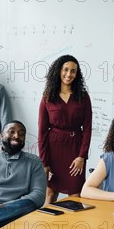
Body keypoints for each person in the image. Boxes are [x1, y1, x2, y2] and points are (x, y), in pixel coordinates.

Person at [38, 55, 92, 204]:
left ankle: (74, 227)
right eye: (66, 70)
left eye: (73, 71)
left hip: (75, 149)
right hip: (53, 149)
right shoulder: (48, 97)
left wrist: (82, 156)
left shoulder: (83, 96)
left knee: (76, 195)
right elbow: (42, 132)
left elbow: (87, 129)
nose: (69, 74)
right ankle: (48, 226)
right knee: (50, 193)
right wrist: (44, 162)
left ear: (77, 74)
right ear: (58, 71)